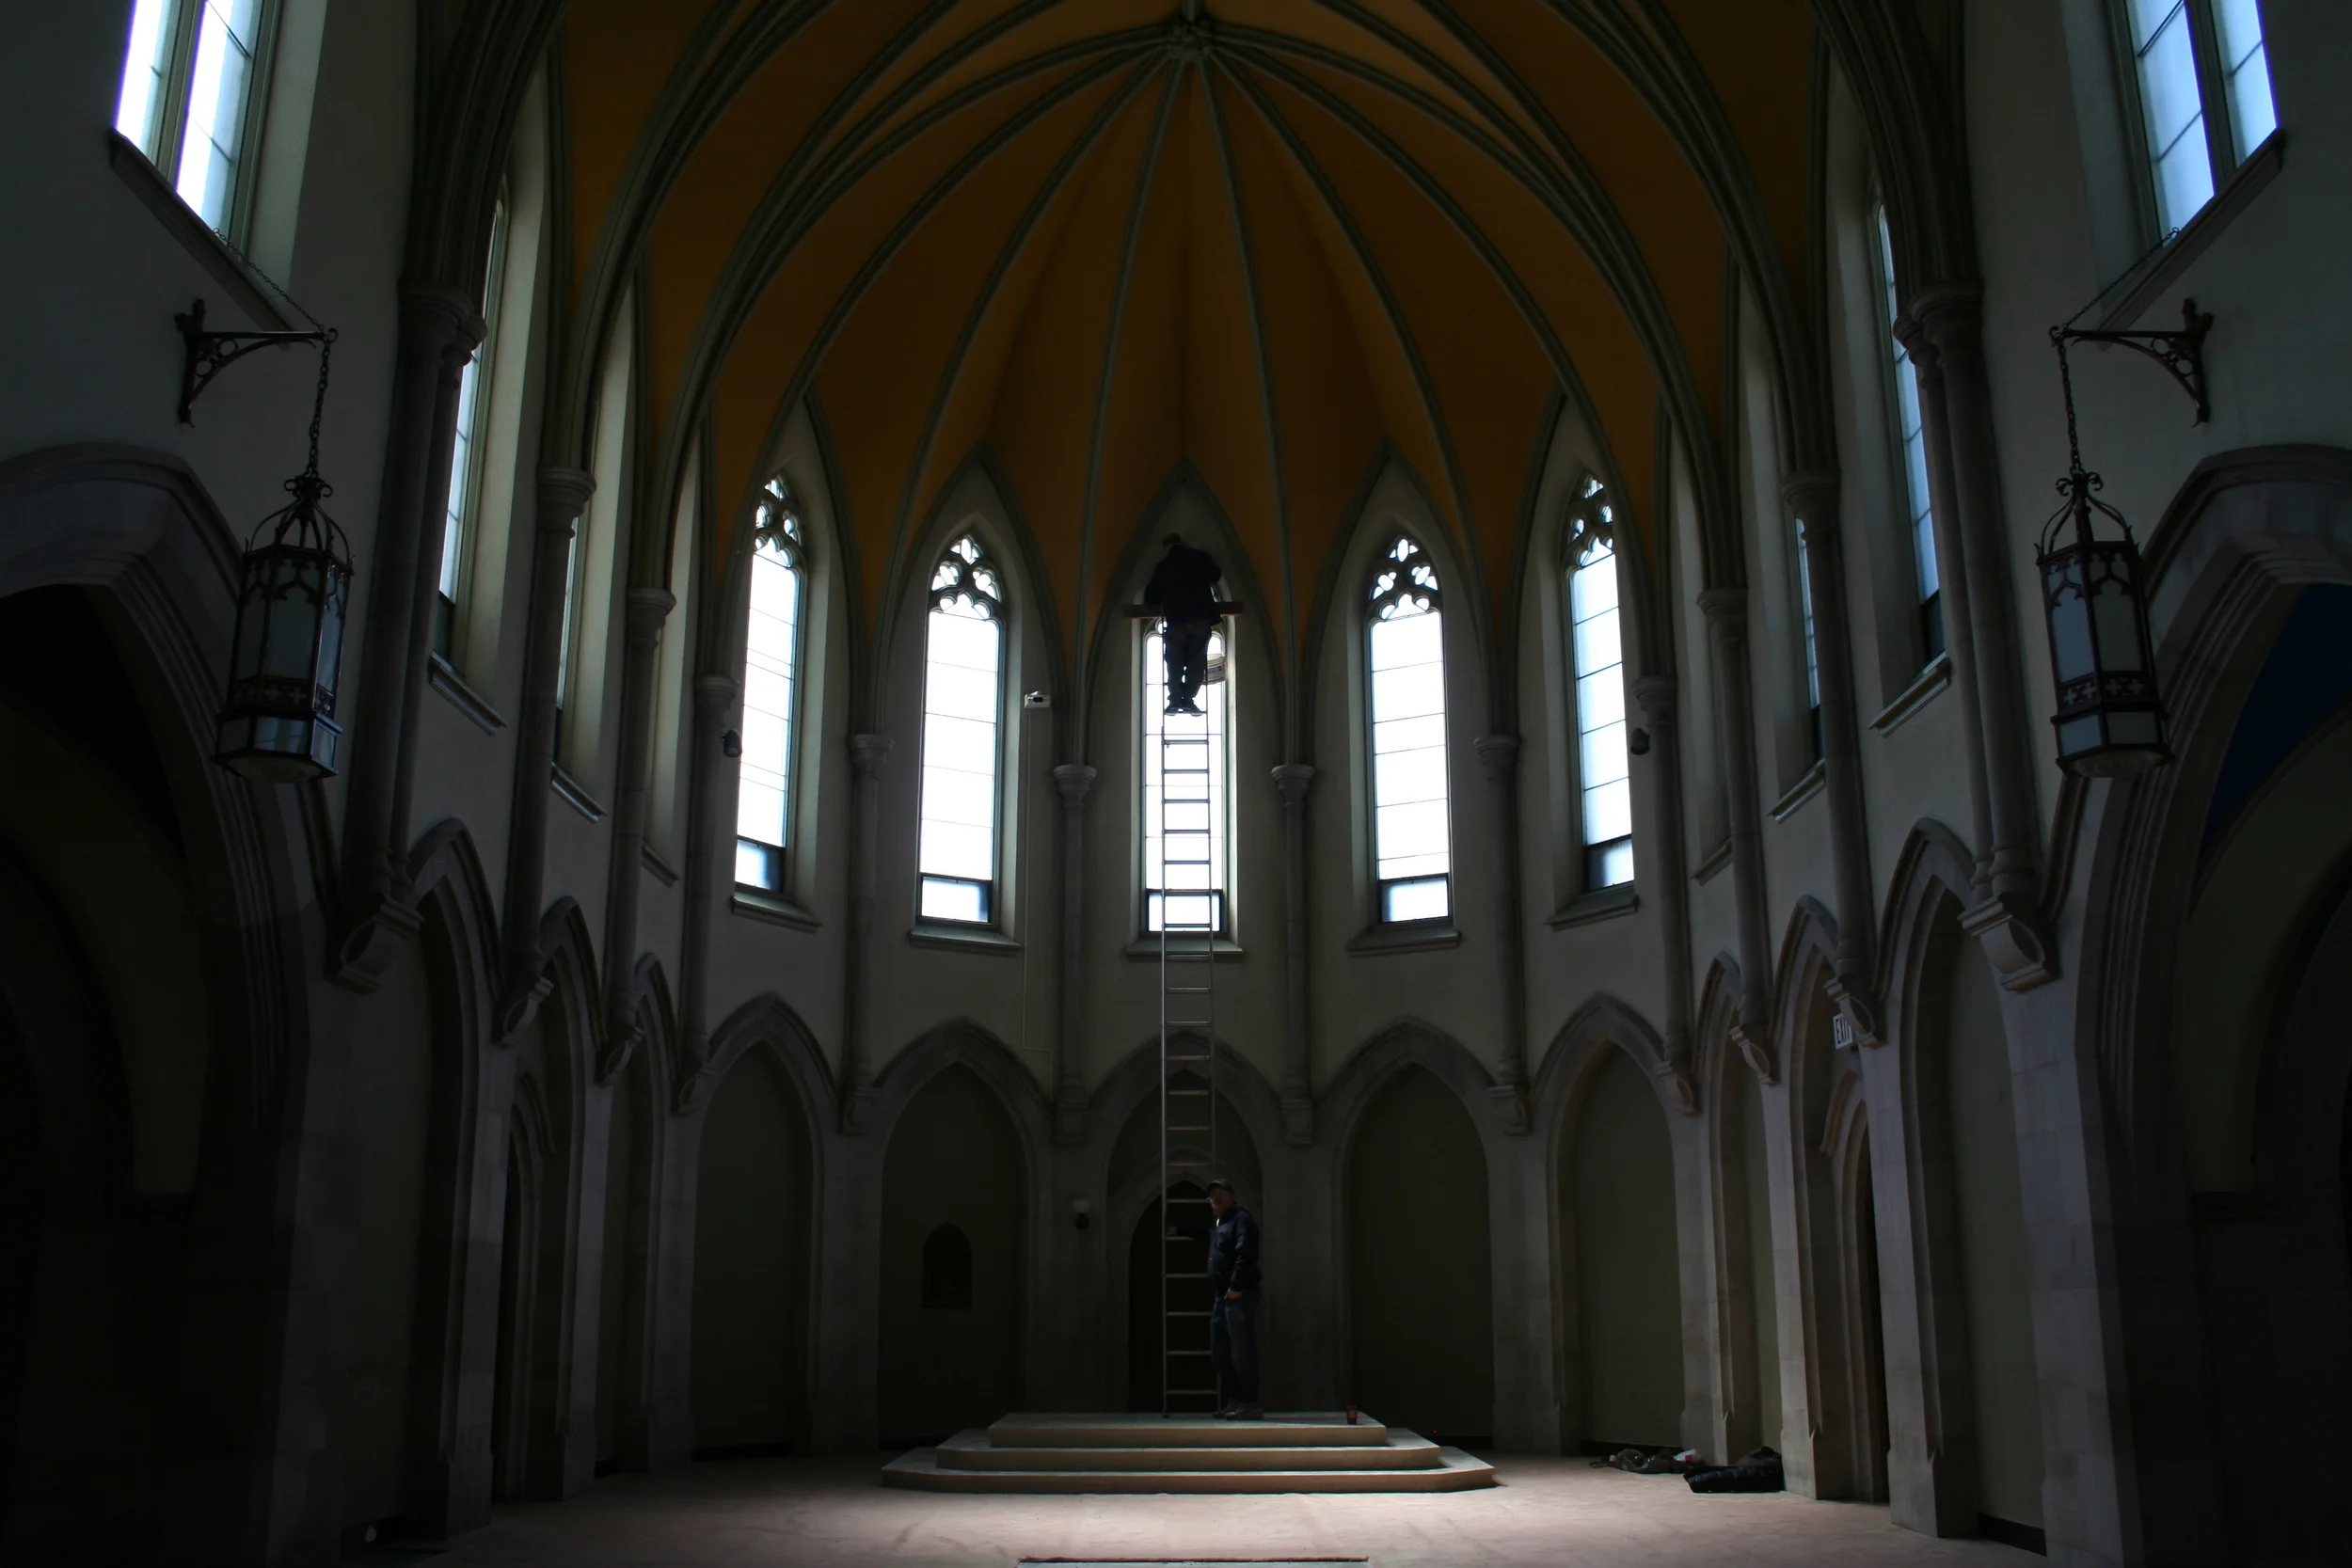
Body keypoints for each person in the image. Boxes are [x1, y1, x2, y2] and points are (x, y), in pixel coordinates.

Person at [1189, 1179, 1261, 1419]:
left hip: (1238, 1293)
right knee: (1220, 1351)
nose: (1215, 1197)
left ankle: (1250, 1403)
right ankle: (1237, 1399)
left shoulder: (1241, 1218)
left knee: (1241, 1350)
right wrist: (1178, 1230)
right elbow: (1206, 1235)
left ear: (1232, 1195)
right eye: (1212, 1195)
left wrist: (1236, 1286)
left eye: (1220, 1193)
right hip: (1222, 1295)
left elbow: (1246, 1251)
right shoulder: (1219, 1223)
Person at [1143, 533, 1223, 715]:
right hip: (1200, 617)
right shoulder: (1198, 558)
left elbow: (1151, 597)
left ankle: (1174, 699)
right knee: (1197, 660)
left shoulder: (1163, 567)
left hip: (1176, 620)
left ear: (1166, 547)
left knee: (1174, 661)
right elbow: (1215, 574)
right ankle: (1189, 699)